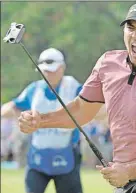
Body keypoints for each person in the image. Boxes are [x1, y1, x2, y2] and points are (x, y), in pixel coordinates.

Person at [18, 2, 136, 193]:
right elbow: (80, 110)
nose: (135, 36)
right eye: (130, 27)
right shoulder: (108, 64)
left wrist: (129, 170)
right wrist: (41, 121)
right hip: (125, 181)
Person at [1, 48, 84, 193]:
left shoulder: (73, 86)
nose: (48, 74)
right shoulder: (34, 89)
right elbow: (9, 108)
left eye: (52, 70)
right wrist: (19, 114)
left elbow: (90, 107)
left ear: (62, 68)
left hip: (67, 156)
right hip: (38, 158)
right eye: (45, 71)